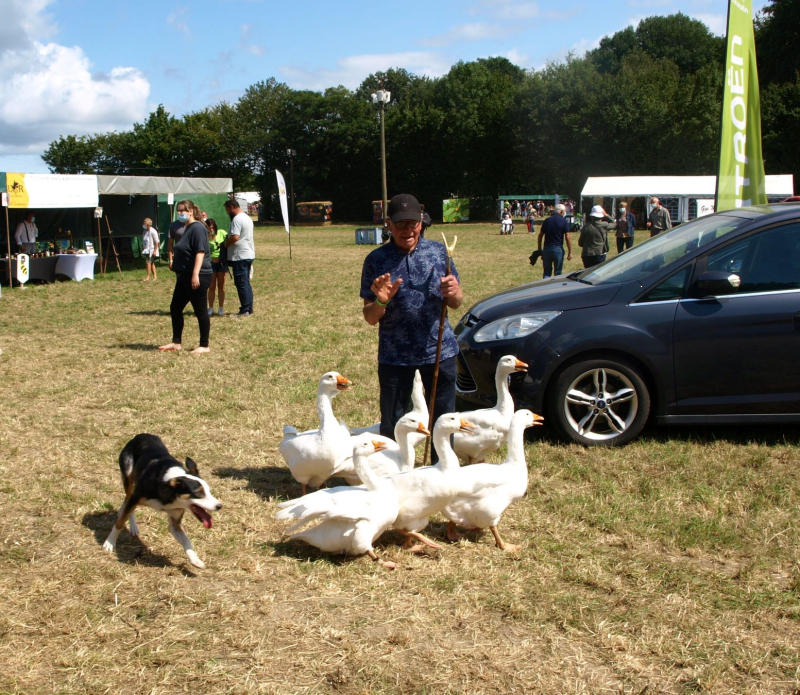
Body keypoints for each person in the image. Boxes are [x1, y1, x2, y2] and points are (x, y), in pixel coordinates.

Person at [360, 193, 463, 452]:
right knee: (392, 425)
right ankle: (392, 477)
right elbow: (370, 317)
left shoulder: (440, 253)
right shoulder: (376, 260)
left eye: (413, 223)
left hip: (439, 351)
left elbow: (456, 302)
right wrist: (381, 300)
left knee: (443, 424)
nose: (408, 230)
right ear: (389, 224)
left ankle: (442, 477)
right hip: (395, 356)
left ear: (422, 222)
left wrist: (454, 293)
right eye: (401, 223)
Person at [159, 200, 212, 354]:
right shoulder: (187, 228)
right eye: (178, 210)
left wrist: (195, 274)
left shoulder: (197, 228)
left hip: (197, 275)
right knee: (175, 307)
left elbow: (200, 252)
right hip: (183, 274)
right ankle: (176, 342)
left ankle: (204, 345)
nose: (180, 213)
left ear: (191, 211)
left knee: (200, 310)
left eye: (183, 210)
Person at [223, 198, 255, 317]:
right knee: (245, 283)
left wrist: (226, 243)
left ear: (231, 207)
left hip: (240, 256)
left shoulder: (237, 219)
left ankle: (245, 310)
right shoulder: (247, 217)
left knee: (241, 283)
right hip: (248, 254)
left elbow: (235, 237)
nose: (227, 213)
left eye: (227, 210)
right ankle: (249, 308)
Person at [537, 203, 572, 278]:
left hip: (547, 248)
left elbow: (540, 236)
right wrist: (570, 252)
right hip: (558, 248)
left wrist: (540, 249)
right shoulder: (564, 221)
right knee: (558, 273)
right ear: (562, 212)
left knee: (546, 272)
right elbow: (567, 237)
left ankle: (545, 288)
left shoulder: (547, 220)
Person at [206, 218, 227, 316]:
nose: (211, 230)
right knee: (211, 286)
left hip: (221, 263)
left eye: (212, 228)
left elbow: (229, 240)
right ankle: (210, 307)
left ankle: (221, 308)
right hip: (211, 263)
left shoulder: (221, 233)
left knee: (221, 286)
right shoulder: (205, 237)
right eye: (209, 228)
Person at [141, 217, 159, 282]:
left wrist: (155, 250)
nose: (143, 225)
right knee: (151, 263)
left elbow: (157, 241)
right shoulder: (145, 231)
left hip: (151, 250)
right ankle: (155, 277)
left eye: (144, 224)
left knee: (148, 262)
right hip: (146, 249)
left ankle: (148, 277)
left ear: (147, 224)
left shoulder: (153, 231)